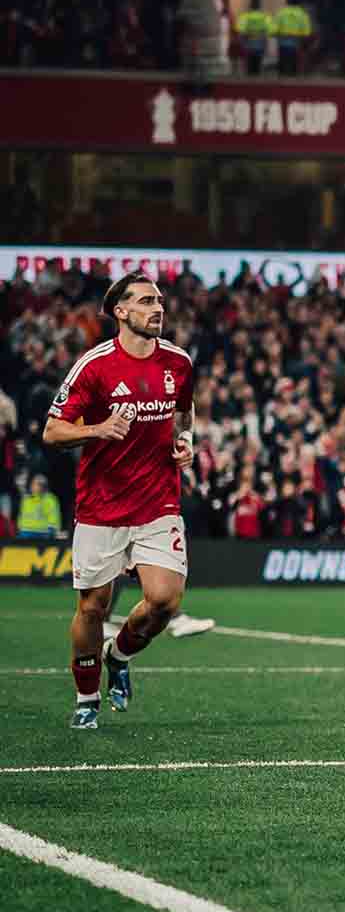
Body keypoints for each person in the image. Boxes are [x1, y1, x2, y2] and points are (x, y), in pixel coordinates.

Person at [42, 272, 195, 730]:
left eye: (160, 301)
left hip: (157, 502)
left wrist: (185, 439)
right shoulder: (94, 366)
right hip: (102, 507)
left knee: (165, 601)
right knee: (92, 608)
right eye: (147, 301)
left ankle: (119, 655)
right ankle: (87, 698)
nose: (158, 308)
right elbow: (52, 431)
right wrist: (97, 429)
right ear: (121, 312)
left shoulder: (179, 362)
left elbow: (184, 412)